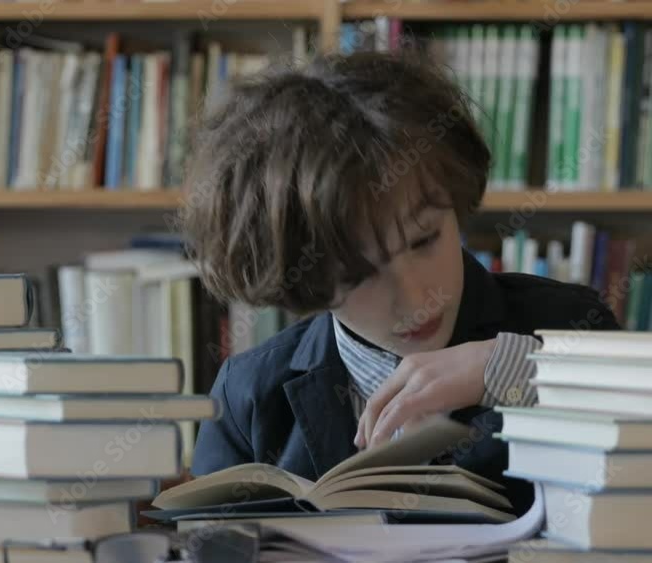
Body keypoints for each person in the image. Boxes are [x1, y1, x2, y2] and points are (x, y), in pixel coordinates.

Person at [179, 51, 619, 515]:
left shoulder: (571, 328)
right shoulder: (248, 396)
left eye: (424, 239)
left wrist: (519, 370)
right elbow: (207, 542)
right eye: (359, 273)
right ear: (304, 274)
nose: (415, 298)